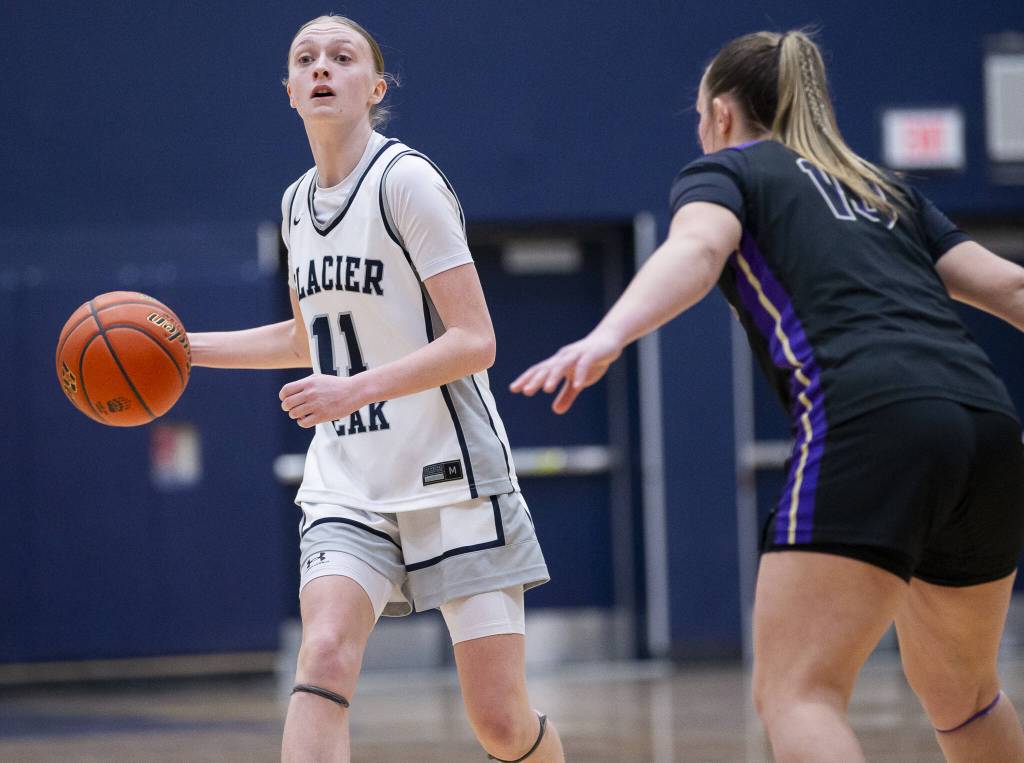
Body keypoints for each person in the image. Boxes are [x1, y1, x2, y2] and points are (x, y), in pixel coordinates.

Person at [511, 29, 1024, 763]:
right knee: (967, 698)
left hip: (870, 419)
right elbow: (1011, 285)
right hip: (988, 428)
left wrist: (609, 334)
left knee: (797, 692)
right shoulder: (884, 189)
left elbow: (696, 248)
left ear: (721, 114)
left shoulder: (730, 170)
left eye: (697, 115)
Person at [188, 15, 564, 763]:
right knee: (322, 656)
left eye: (342, 56)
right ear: (290, 91)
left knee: (499, 721)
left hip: (452, 478)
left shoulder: (406, 183)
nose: (322, 67)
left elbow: (475, 341)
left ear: (375, 86)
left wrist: (354, 390)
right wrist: (184, 350)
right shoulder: (297, 204)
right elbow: (306, 339)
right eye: (306, 58)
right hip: (351, 483)